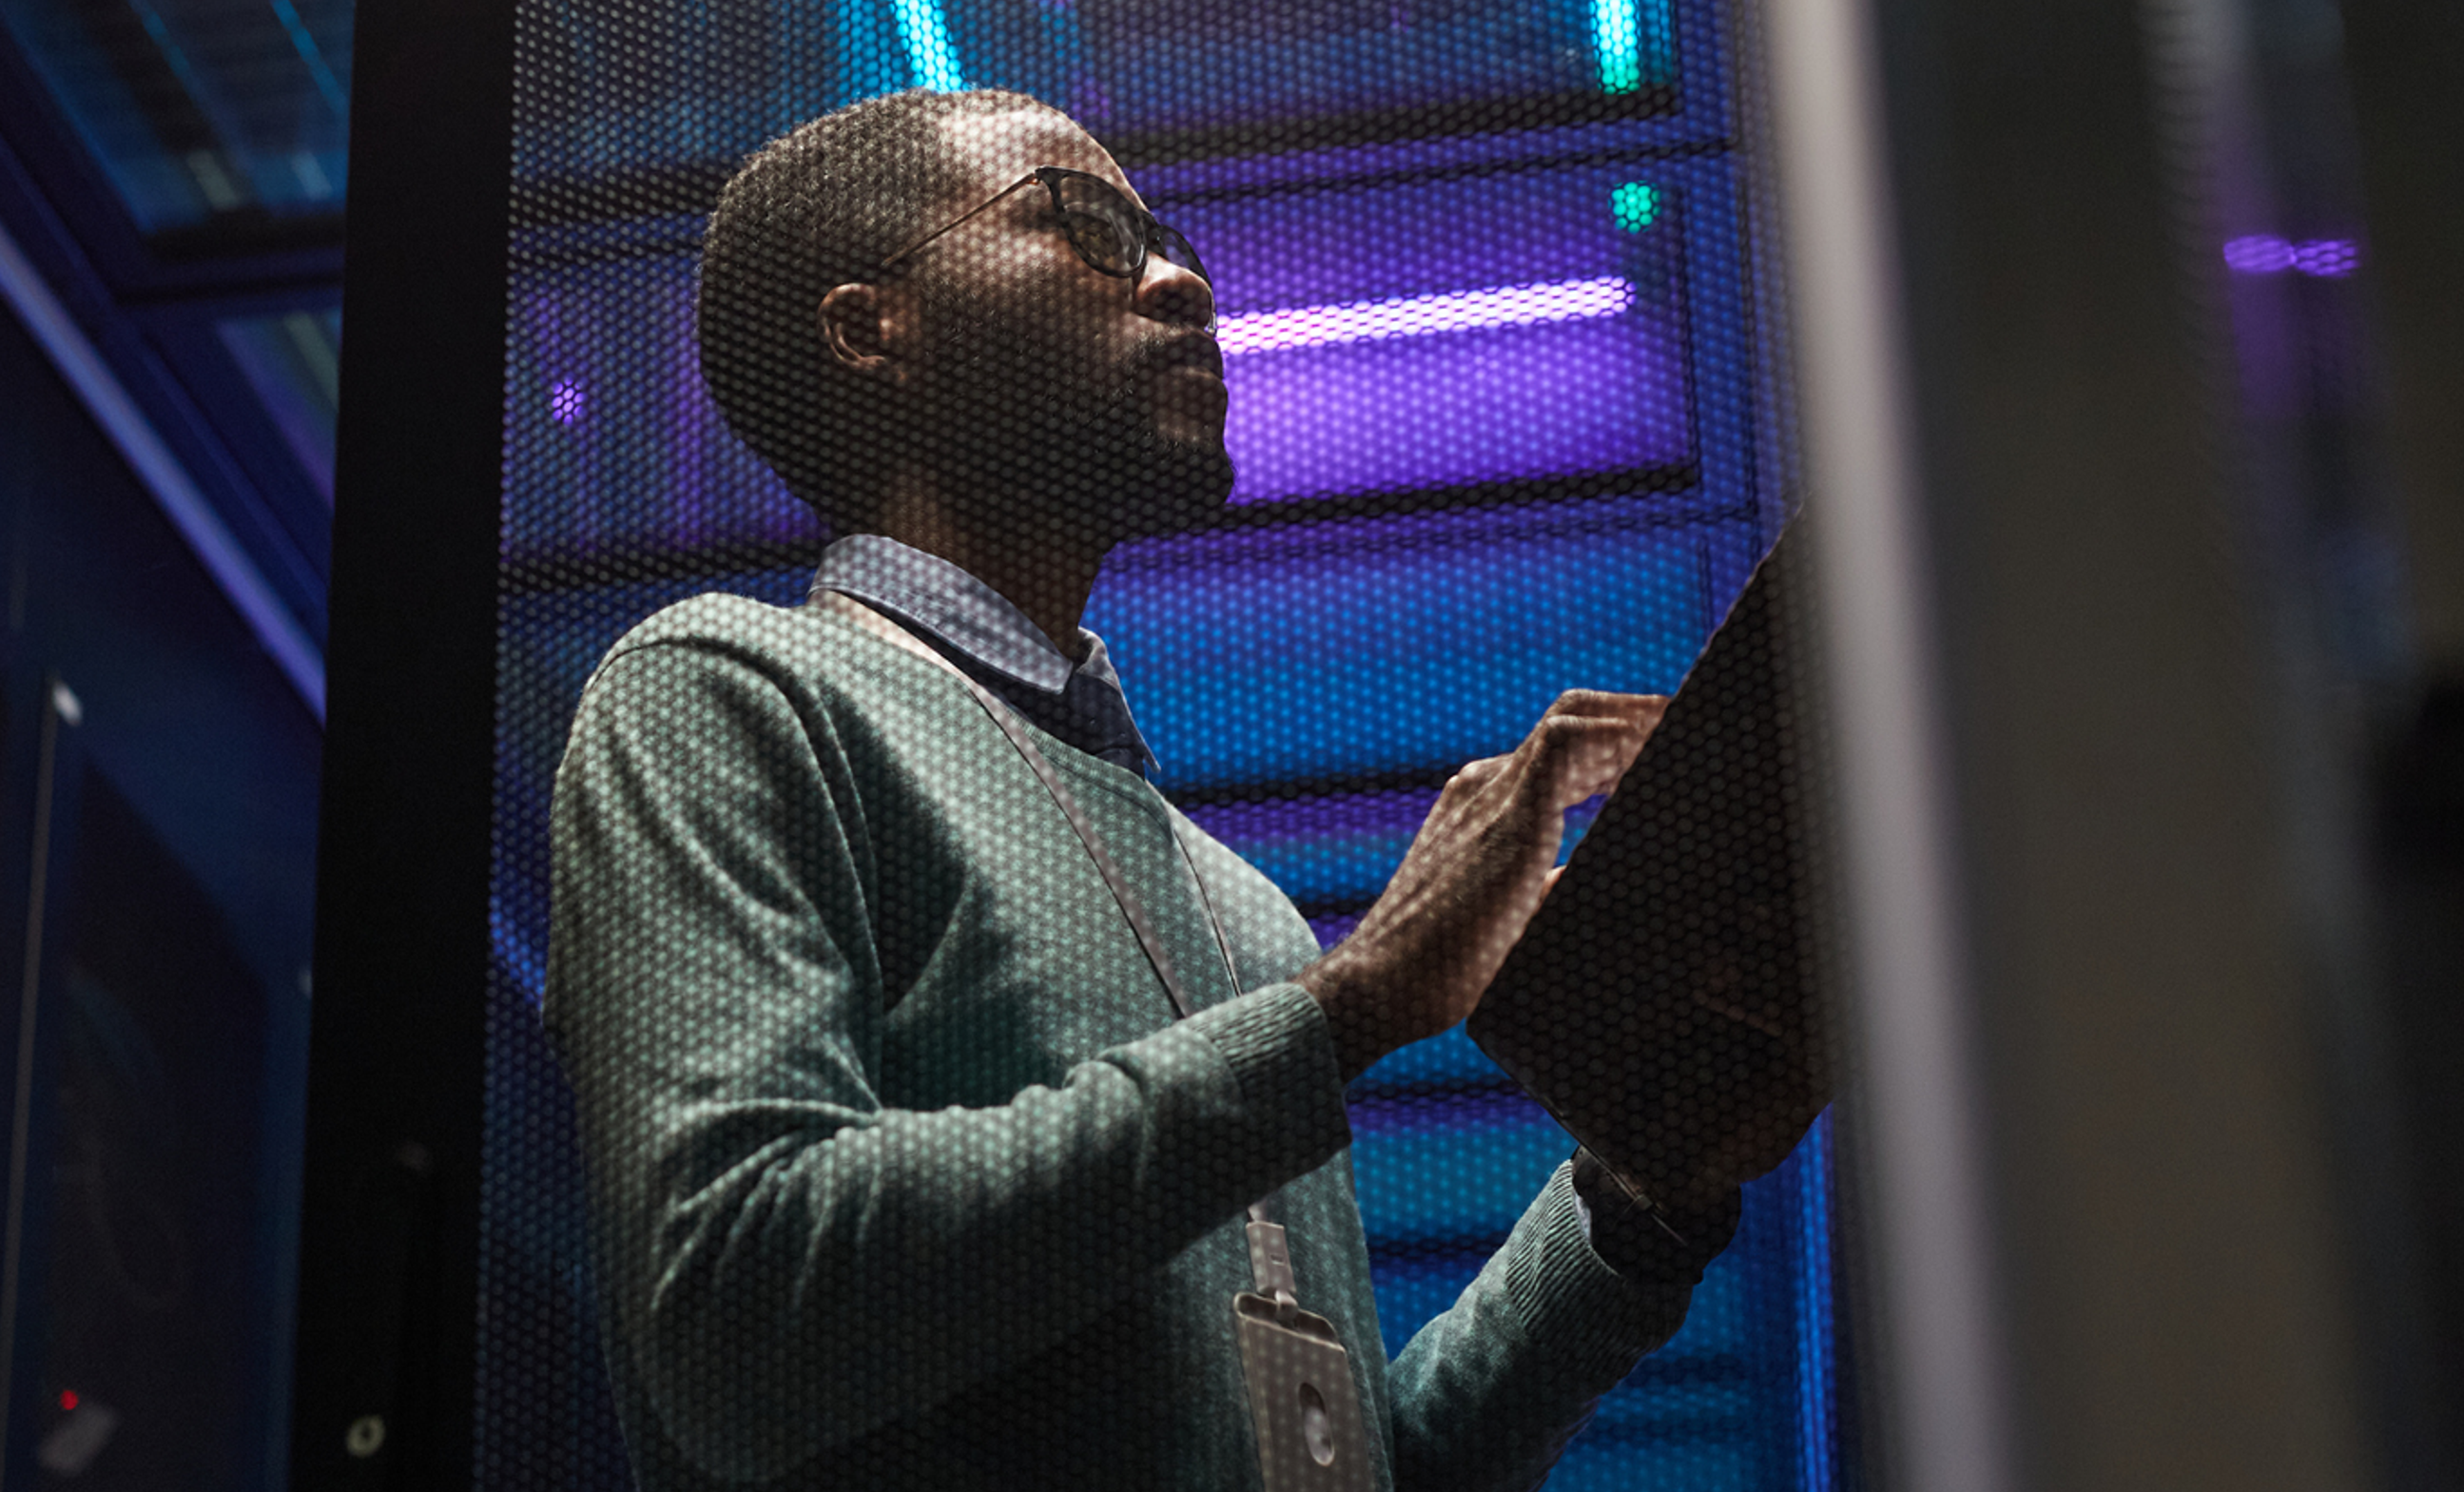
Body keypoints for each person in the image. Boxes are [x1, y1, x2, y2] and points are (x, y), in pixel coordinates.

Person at [545, 87, 1809, 1490]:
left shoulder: (1243, 907)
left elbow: (1361, 1465)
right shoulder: (727, 692)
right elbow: (737, 1322)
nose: (1182, 277)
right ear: (868, 328)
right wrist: (1350, 1007)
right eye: (1081, 224)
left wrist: (1638, 1204)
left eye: (1164, 235)